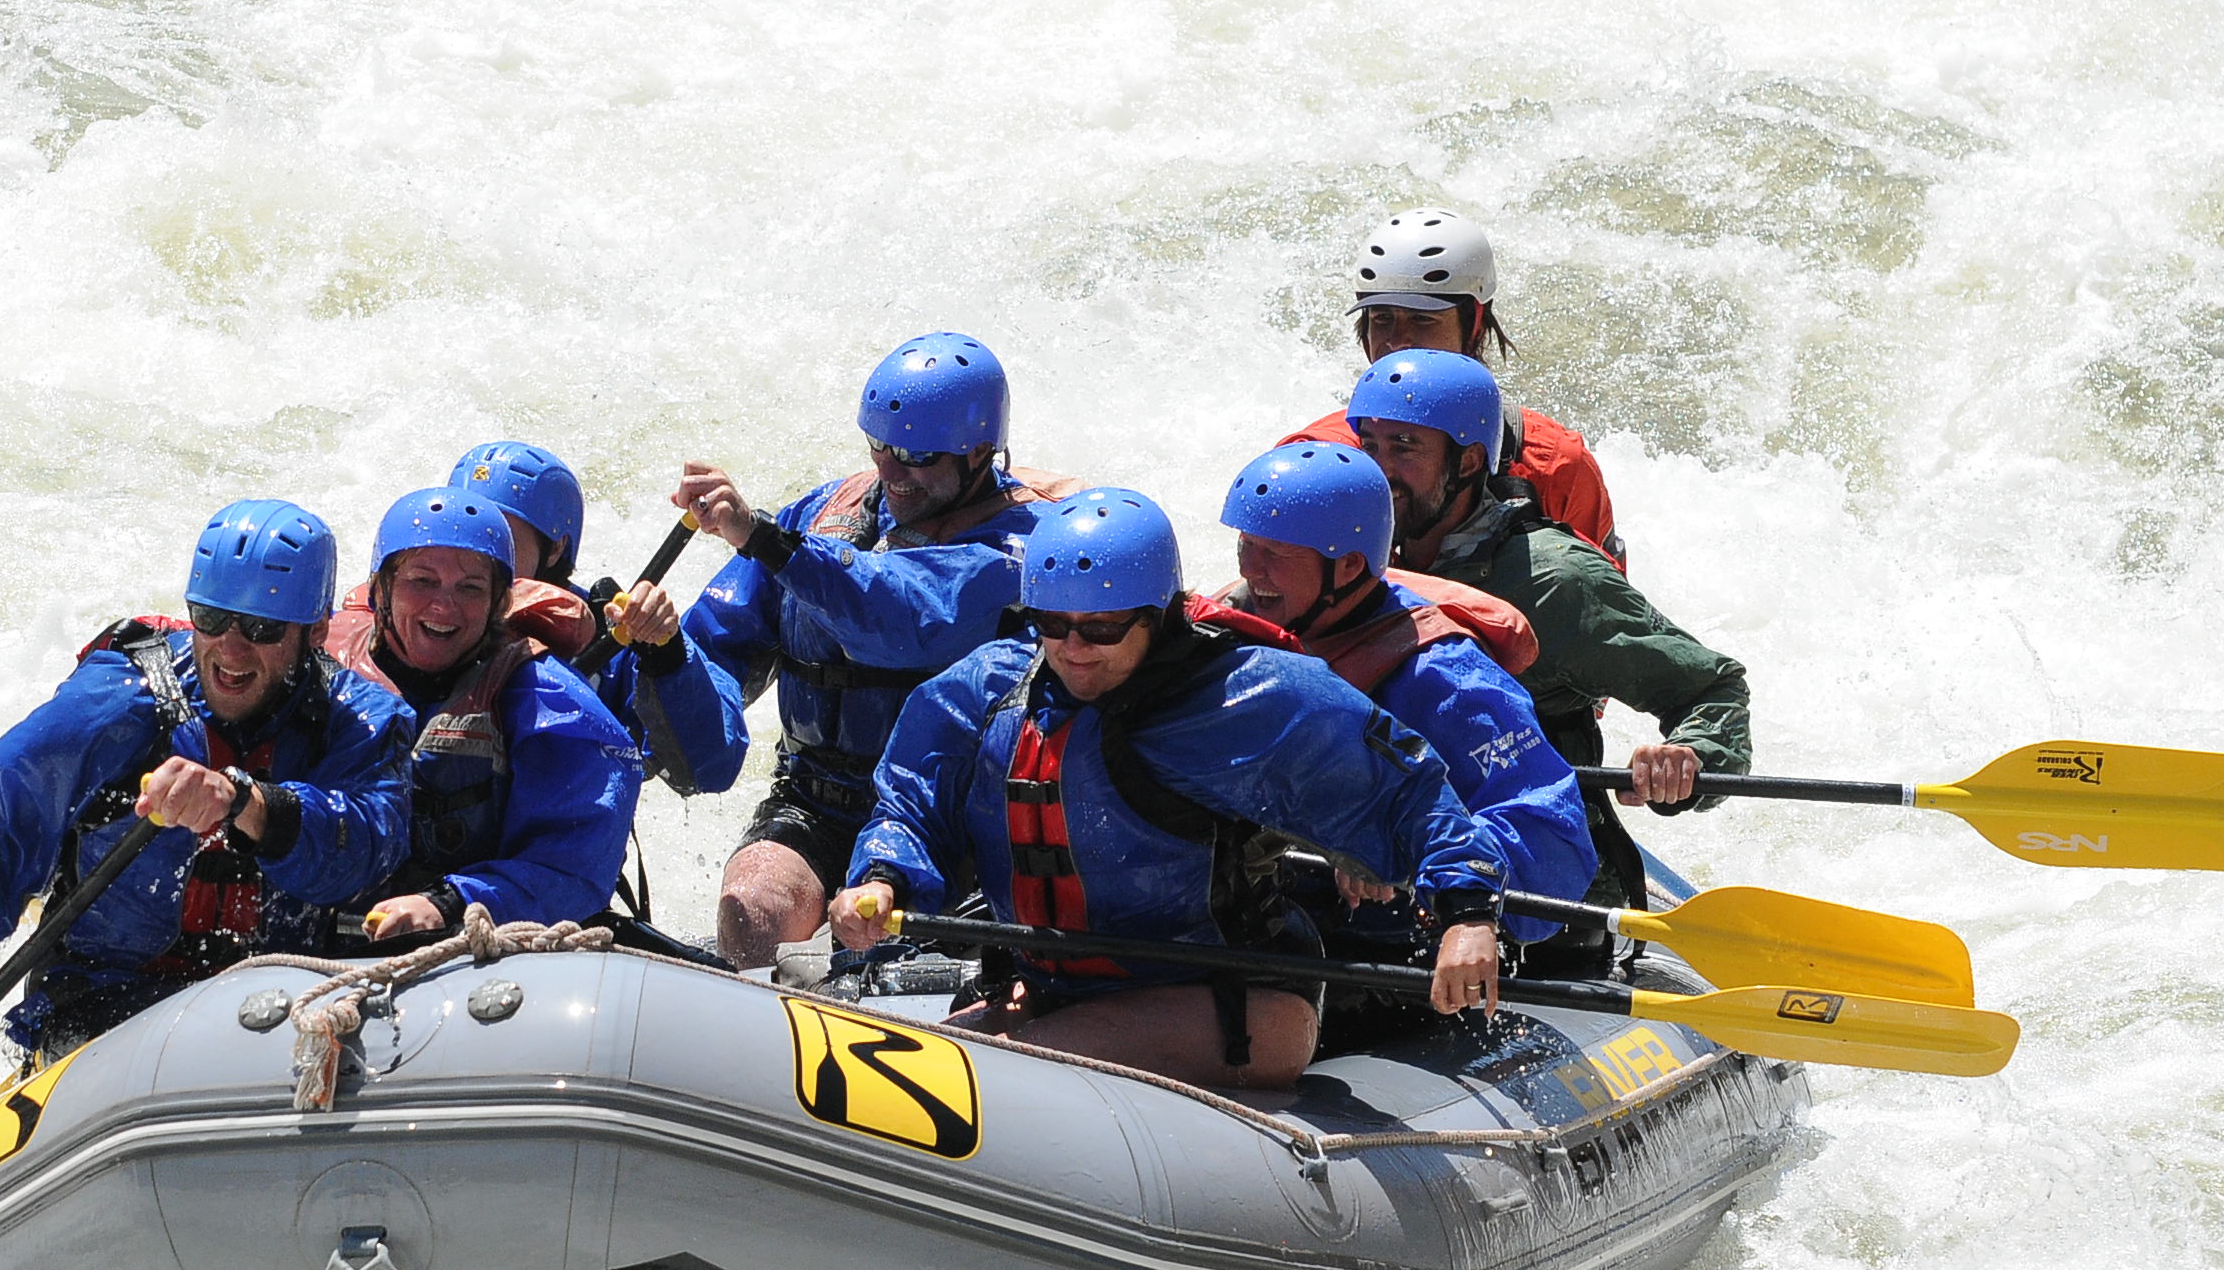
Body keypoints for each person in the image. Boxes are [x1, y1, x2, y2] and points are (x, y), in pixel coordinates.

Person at [829, 490, 1509, 1091]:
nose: (1072, 649)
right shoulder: (987, 690)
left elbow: (1411, 792)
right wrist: (883, 878)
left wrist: (1468, 912)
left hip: (1226, 998)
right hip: (1051, 985)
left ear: (1157, 617)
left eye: (1100, 628)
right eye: (1052, 625)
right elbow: (910, 805)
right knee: (922, 1071)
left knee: (1002, 1078)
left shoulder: (1252, 695)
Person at [0, 502, 415, 1104]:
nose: (231, 651)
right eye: (213, 619)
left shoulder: (364, 722)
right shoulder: (119, 700)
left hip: (280, 1003)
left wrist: (247, 802)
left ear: (314, 634)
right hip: (105, 1004)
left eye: (262, 631)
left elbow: (369, 844)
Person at [680, 333, 1076, 971]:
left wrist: (759, 537)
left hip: (957, 818)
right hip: (819, 796)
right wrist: (658, 657)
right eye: (880, 448)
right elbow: (718, 639)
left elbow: (900, 615)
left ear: (980, 452)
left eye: (917, 457)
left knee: (901, 959)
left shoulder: (1033, 544)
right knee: (750, 909)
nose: (891, 473)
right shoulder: (821, 514)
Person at [1349, 351, 1751, 932]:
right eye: (1371, 446)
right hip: (1400, 857)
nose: (1379, 470)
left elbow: (1712, 688)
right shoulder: (1350, 557)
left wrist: (1690, 756)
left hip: (1539, 883)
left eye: (1405, 448)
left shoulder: (1554, 581)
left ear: (1468, 461)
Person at [1220, 439, 1597, 942]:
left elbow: (1555, 846)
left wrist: (1394, 848)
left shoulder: (1445, 679)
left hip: (1389, 943)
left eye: (1276, 552)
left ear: (1349, 566)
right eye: (1247, 544)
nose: (1251, 569)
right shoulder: (1235, 627)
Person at [325, 487, 641, 942]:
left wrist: (449, 902)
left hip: (478, 937)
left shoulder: (547, 698)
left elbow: (572, 866)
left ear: (499, 603)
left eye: (470, 588)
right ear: (380, 590)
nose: (443, 607)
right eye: (422, 581)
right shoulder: (320, 665)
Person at [1284, 208, 1625, 570]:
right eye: (1382, 319)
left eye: (1422, 319)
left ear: (1474, 323)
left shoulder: (1555, 465)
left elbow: (1596, 605)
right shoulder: (1317, 457)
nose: (1398, 343)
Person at [447, 440, 749, 799]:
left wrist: (665, 657)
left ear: (555, 547)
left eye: (503, 538)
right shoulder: (412, 610)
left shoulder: (614, 635)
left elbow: (709, 771)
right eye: (464, 533)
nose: (480, 554)